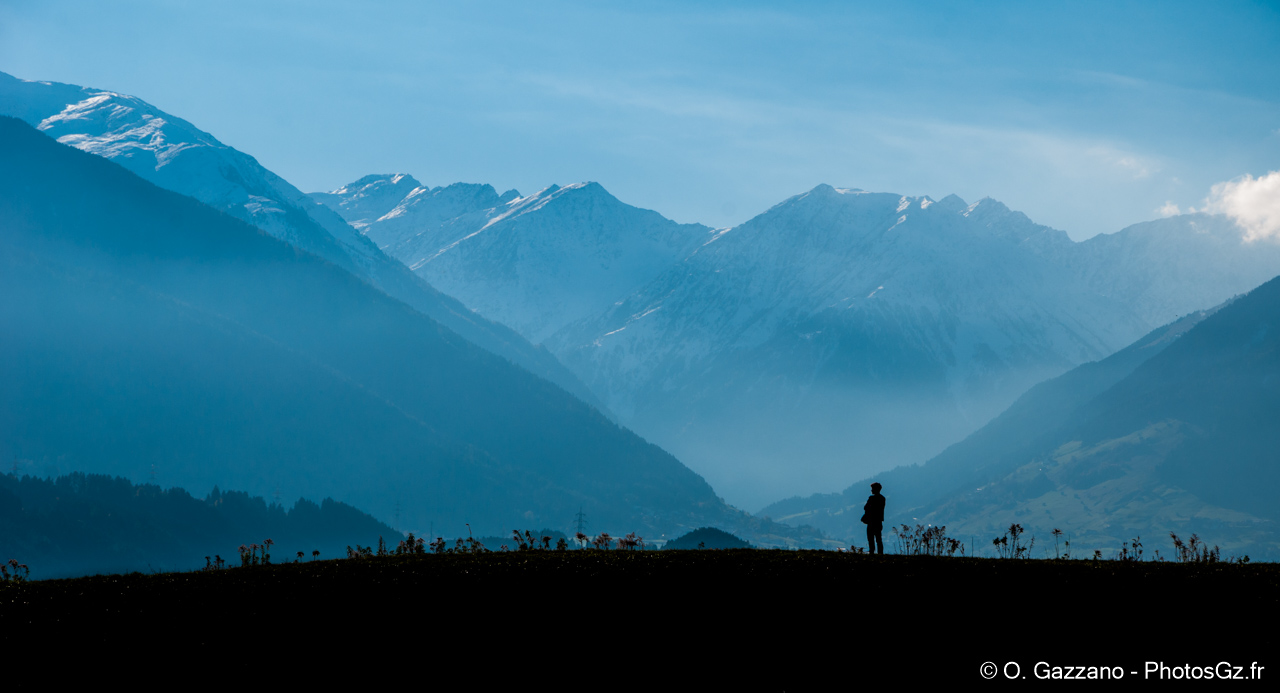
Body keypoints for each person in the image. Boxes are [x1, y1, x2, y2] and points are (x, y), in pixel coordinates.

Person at [862, 482, 885, 554]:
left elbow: (865, 507)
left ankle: (871, 552)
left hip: (871, 521)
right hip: (878, 521)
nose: (871, 490)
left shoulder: (871, 498)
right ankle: (880, 553)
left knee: (870, 538)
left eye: (872, 489)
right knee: (878, 538)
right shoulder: (882, 498)